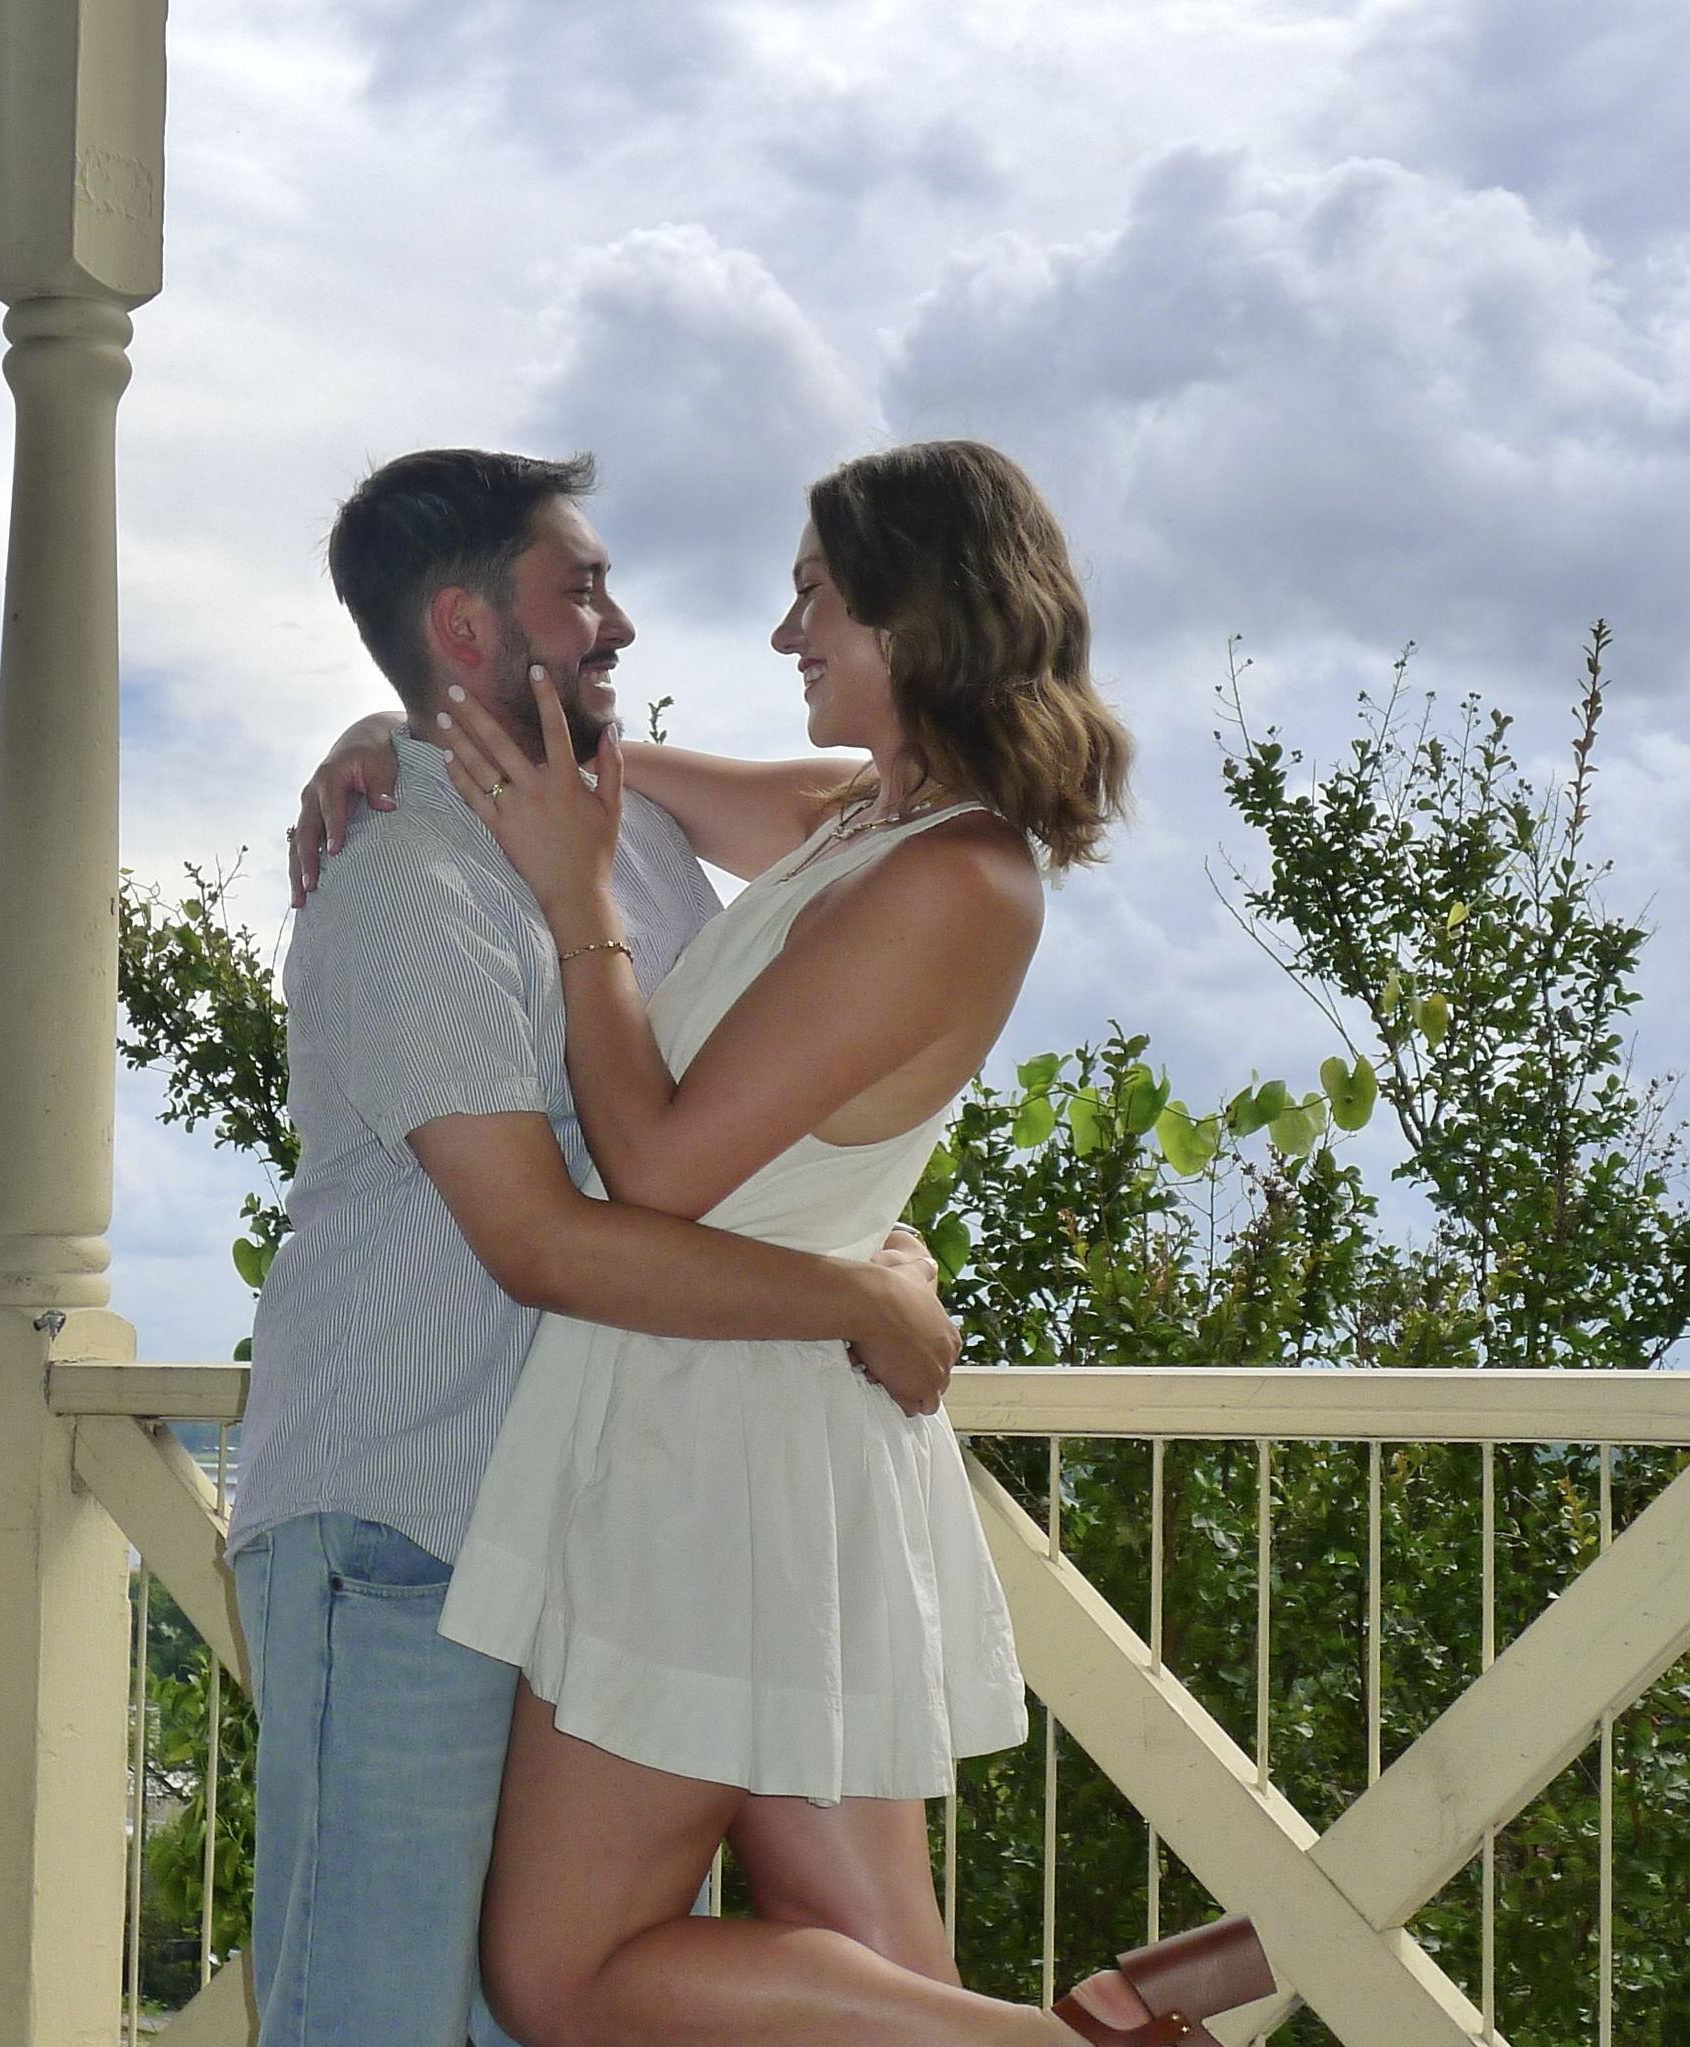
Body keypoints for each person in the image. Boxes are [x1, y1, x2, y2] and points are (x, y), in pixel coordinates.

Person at [302, 439, 1276, 2044]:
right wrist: (409, 730)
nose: (783, 637)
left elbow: (659, 1171)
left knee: (565, 1976)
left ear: (918, 612)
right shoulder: (864, 820)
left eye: (817, 597)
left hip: (720, 1448)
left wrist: (578, 906)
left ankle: (1076, 2044)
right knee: (869, 1963)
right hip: (763, 1426)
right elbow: (635, 768)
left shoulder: (956, 880)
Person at [227, 447, 969, 2047]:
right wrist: (848, 1297)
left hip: (593, 1526)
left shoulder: (621, 829)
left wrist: (425, 718)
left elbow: (875, 847)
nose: (622, 620)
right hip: (404, 1526)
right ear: (466, 626)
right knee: (379, 2014)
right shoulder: (405, 881)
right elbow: (545, 1245)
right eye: (580, 591)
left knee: (569, 2002)